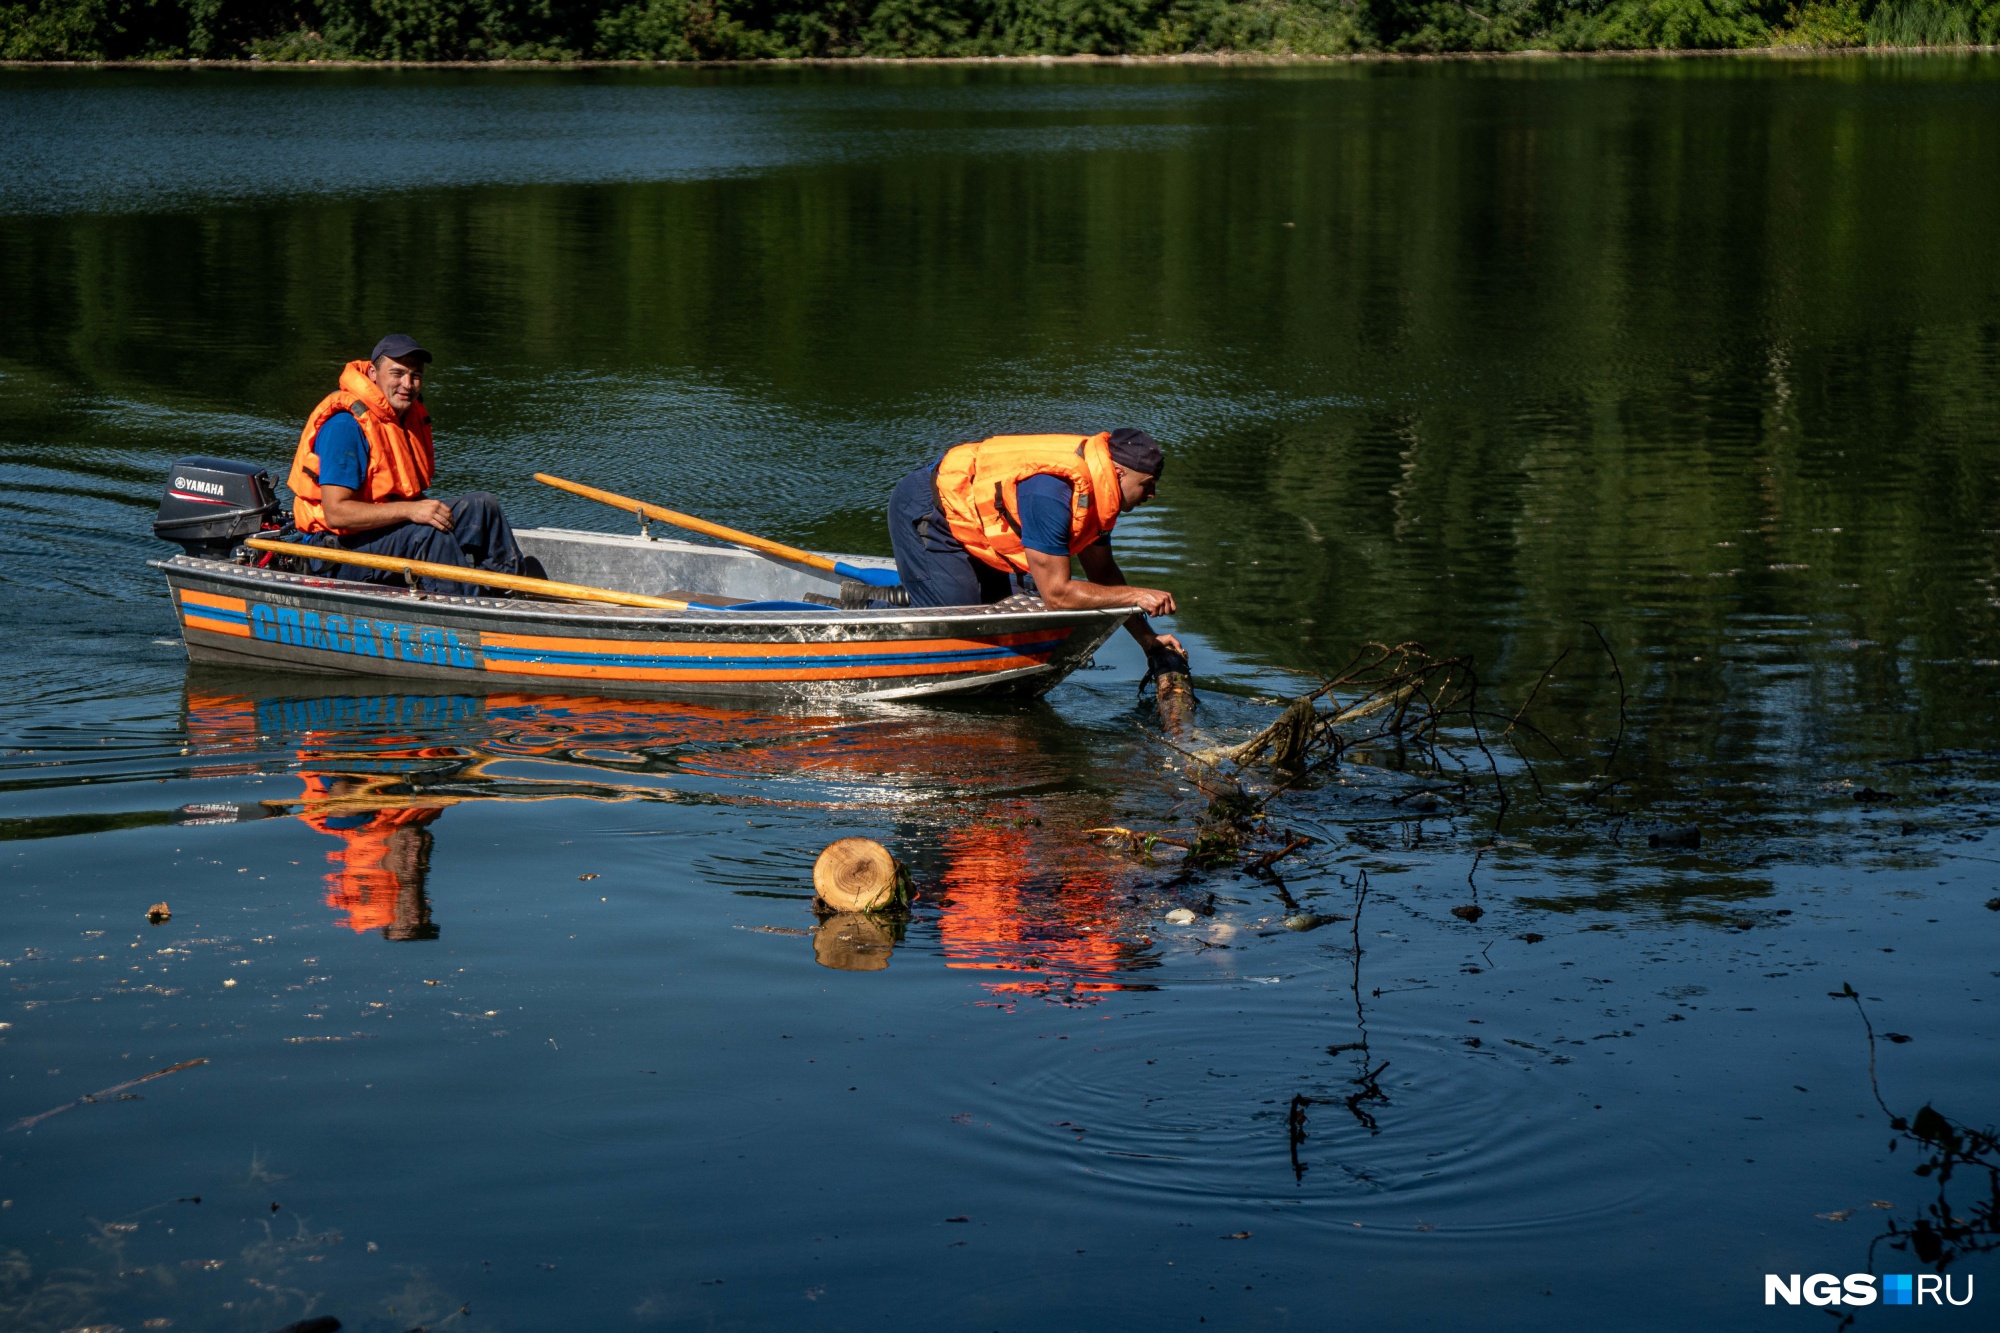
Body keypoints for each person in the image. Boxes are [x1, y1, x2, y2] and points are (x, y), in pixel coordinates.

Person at [888, 427, 1186, 667]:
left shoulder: (1099, 493)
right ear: (1119, 473)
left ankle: (913, 591)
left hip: (978, 531)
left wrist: (1148, 640)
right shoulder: (1052, 494)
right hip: (932, 511)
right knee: (958, 625)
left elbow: (1103, 572)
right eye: (1147, 484)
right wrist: (1137, 595)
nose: (1152, 495)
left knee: (1021, 606)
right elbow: (1057, 595)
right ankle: (873, 607)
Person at [286, 334, 539, 594]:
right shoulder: (346, 427)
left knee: (482, 507)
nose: (408, 384)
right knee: (429, 533)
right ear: (373, 373)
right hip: (337, 552)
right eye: (397, 373)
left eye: (416, 375)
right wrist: (411, 511)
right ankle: (468, 614)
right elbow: (337, 513)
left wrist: (415, 510)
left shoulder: (403, 419)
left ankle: (510, 594)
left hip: (379, 530)